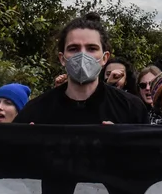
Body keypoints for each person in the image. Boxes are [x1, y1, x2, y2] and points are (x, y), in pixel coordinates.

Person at [14, 14, 148, 125]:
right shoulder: (36, 111)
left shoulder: (131, 107)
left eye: (91, 48)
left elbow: (148, 154)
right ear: (62, 58)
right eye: (74, 49)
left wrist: (120, 140)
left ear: (104, 58)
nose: (83, 55)